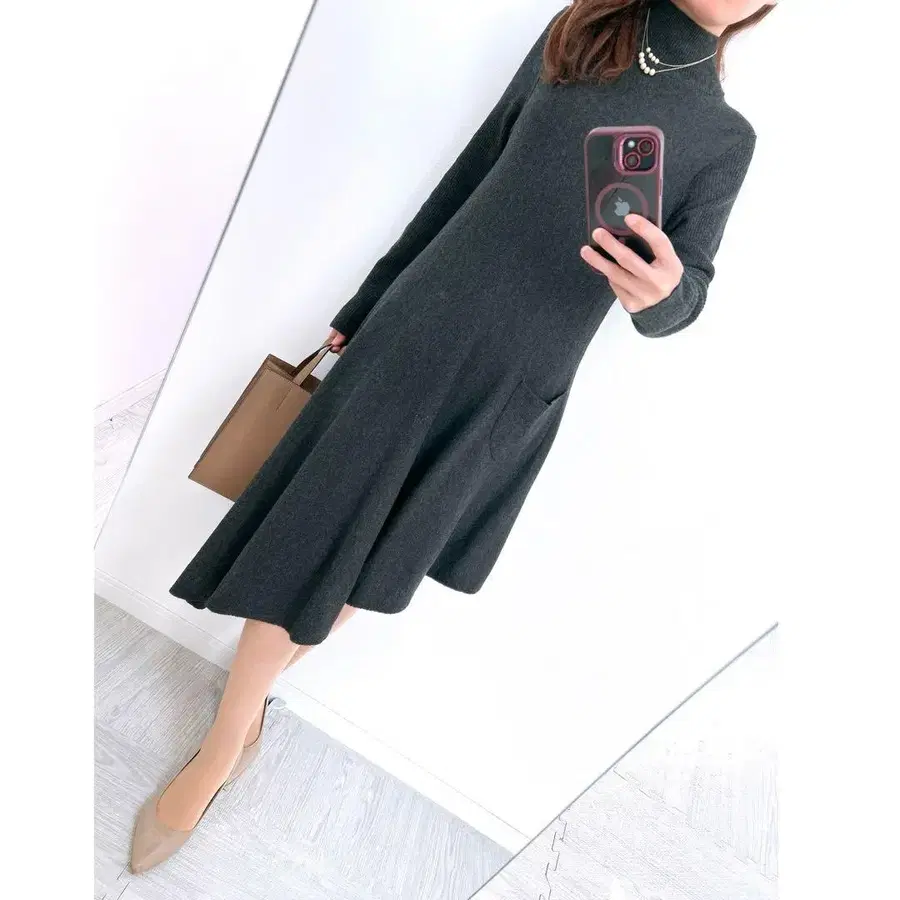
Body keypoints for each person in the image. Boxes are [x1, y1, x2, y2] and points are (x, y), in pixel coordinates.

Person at [131, 0, 774, 873]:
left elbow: (686, 293)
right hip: (421, 322)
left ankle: (241, 721)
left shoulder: (725, 138)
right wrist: (370, 299)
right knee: (318, 533)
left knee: (378, 556)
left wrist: (662, 295)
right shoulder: (584, 30)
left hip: (514, 379)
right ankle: (224, 744)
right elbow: (470, 172)